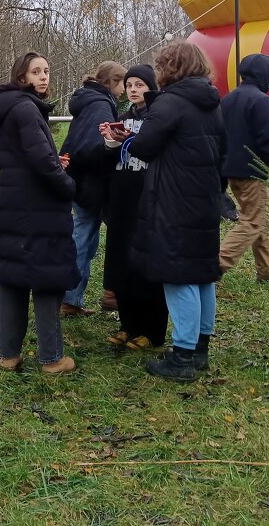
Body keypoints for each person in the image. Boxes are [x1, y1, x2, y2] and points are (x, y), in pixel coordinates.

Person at [102, 42, 225, 381]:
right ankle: (200, 349)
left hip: (174, 200)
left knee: (178, 275)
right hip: (205, 198)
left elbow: (145, 145)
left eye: (161, 66)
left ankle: (182, 356)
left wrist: (123, 138)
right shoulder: (212, 102)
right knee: (203, 275)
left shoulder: (171, 102)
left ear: (172, 68)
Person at [0, 52, 78, 375]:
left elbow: (27, 154)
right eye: (36, 72)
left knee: (13, 279)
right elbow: (41, 162)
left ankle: (8, 355)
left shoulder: (10, 106)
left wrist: (52, 158)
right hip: (38, 206)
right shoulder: (26, 108)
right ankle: (52, 359)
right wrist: (67, 183)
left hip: (14, 203)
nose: (43, 76)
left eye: (46, 71)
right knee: (46, 278)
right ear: (22, 77)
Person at [99, 64, 168, 351]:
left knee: (146, 267)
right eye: (129, 85)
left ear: (151, 87)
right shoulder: (123, 118)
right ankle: (128, 325)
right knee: (121, 264)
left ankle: (152, 331)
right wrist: (110, 141)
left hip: (149, 201)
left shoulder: (158, 118)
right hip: (122, 201)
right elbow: (109, 160)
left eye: (139, 85)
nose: (133, 90)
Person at [58, 60, 125, 316]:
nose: (124, 91)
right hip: (90, 183)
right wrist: (113, 144)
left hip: (79, 179)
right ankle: (69, 298)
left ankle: (72, 298)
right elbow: (91, 147)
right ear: (113, 82)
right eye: (123, 84)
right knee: (83, 239)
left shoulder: (88, 100)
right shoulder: (101, 105)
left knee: (86, 237)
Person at [218, 53, 269, 282]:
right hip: (251, 171)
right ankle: (215, 265)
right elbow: (267, 141)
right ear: (265, 75)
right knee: (252, 222)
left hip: (230, 169)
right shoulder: (261, 100)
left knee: (261, 218)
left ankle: (267, 271)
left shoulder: (229, 98)